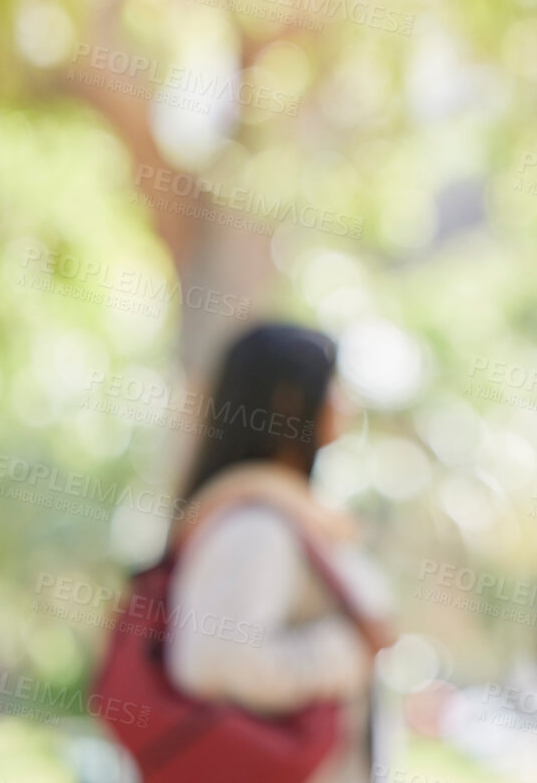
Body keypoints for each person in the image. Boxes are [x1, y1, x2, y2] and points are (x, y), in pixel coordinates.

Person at [164, 322, 394, 783]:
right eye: (333, 385)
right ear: (289, 401)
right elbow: (219, 662)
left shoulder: (285, 517)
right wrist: (351, 652)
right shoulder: (255, 529)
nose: (344, 403)